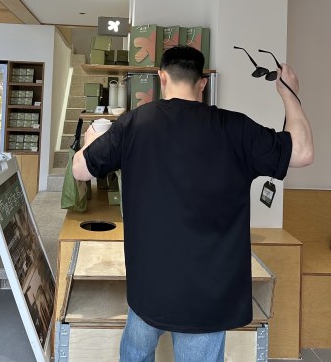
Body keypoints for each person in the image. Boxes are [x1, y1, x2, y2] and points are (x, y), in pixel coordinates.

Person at [73, 46, 314, 362]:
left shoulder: (134, 124)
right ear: (202, 83)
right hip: (207, 298)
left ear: (162, 77)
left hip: (149, 288)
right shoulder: (235, 128)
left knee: (135, 352)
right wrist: (289, 93)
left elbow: (80, 170)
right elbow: (302, 152)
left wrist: (91, 140)